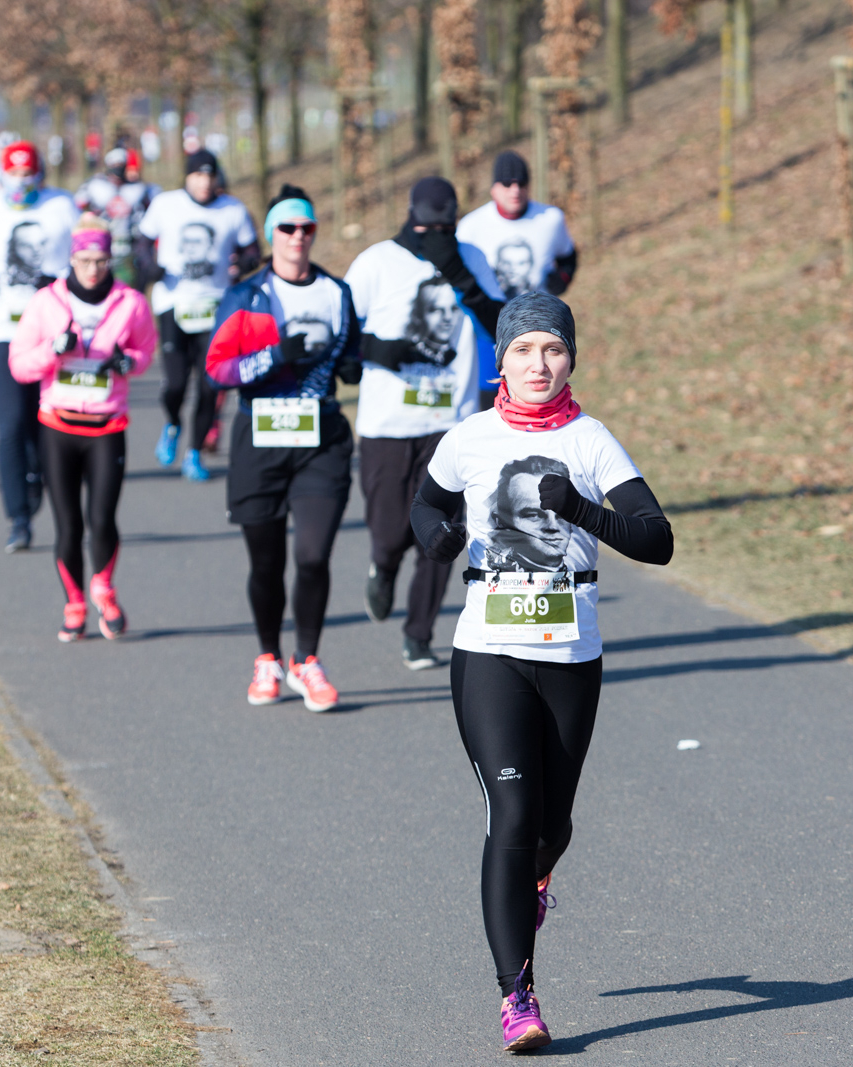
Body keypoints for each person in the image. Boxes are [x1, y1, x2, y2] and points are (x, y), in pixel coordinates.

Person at [409, 292, 673, 1051]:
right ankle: (516, 996)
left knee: (552, 827)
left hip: (571, 655)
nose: (538, 363)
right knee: (514, 815)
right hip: (488, 650)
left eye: (553, 349)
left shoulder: (591, 440)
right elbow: (423, 507)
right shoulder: (469, 438)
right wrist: (437, 539)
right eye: (523, 350)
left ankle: (534, 883)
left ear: (571, 359)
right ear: (502, 360)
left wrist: (584, 510)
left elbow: (657, 540)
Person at [203, 185, 359, 710]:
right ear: (272, 234)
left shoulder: (336, 292)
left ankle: (307, 660)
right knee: (266, 562)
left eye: (306, 227)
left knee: (313, 555)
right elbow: (217, 370)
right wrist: (273, 357)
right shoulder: (246, 295)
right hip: (261, 437)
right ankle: (267, 657)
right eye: (287, 228)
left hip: (321, 440)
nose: (297, 237)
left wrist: (354, 365)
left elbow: (352, 353)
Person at [343, 176, 505, 671]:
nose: (435, 236)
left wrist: (458, 273)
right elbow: (342, 333)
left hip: (450, 422)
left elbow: (502, 324)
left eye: (444, 228)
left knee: (444, 532)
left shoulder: (470, 258)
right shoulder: (375, 262)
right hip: (387, 423)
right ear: (410, 218)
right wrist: (379, 350)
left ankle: (419, 633)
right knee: (390, 531)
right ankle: (383, 565)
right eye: (426, 227)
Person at [8, 216, 156, 641]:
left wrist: (128, 362)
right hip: (59, 426)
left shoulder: (130, 302)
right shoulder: (46, 302)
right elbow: (19, 365)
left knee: (102, 518)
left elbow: (145, 350)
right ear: (72, 259)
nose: (93, 269)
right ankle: (74, 604)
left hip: (107, 426)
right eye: (85, 260)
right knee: (68, 525)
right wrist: (53, 351)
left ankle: (103, 589)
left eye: (101, 261)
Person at [0, 140, 80, 552]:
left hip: (52, 331)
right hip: (2, 331)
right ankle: (19, 518)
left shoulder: (61, 206)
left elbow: (86, 257)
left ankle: (44, 483)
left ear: (40, 173)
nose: (21, 181)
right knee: (10, 425)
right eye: (14, 173)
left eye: (28, 174)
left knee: (47, 421)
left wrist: (61, 281)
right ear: (2, 173)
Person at [136, 149, 257, 482]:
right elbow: (142, 242)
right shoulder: (166, 204)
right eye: (198, 175)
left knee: (209, 386)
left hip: (216, 306)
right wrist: (150, 267)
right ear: (187, 177)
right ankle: (173, 424)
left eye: (210, 175)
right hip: (173, 304)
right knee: (176, 383)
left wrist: (244, 265)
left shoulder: (232, 209)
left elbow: (251, 249)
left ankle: (194, 453)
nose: (204, 182)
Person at [455, 150, 577, 406]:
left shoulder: (550, 219)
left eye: (521, 183)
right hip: (489, 330)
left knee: (538, 397)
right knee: (489, 401)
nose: (515, 190)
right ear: (493, 188)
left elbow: (568, 256)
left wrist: (562, 278)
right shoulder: (471, 226)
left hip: (538, 327)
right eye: (507, 183)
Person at [75, 147, 158, 285]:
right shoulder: (94, 185)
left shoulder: (140, 188)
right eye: (115, 164)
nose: (118, 168)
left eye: (121, 164)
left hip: (130, 248)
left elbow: (153, 211)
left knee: (129, 287)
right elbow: (78, 207)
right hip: (101, 246)